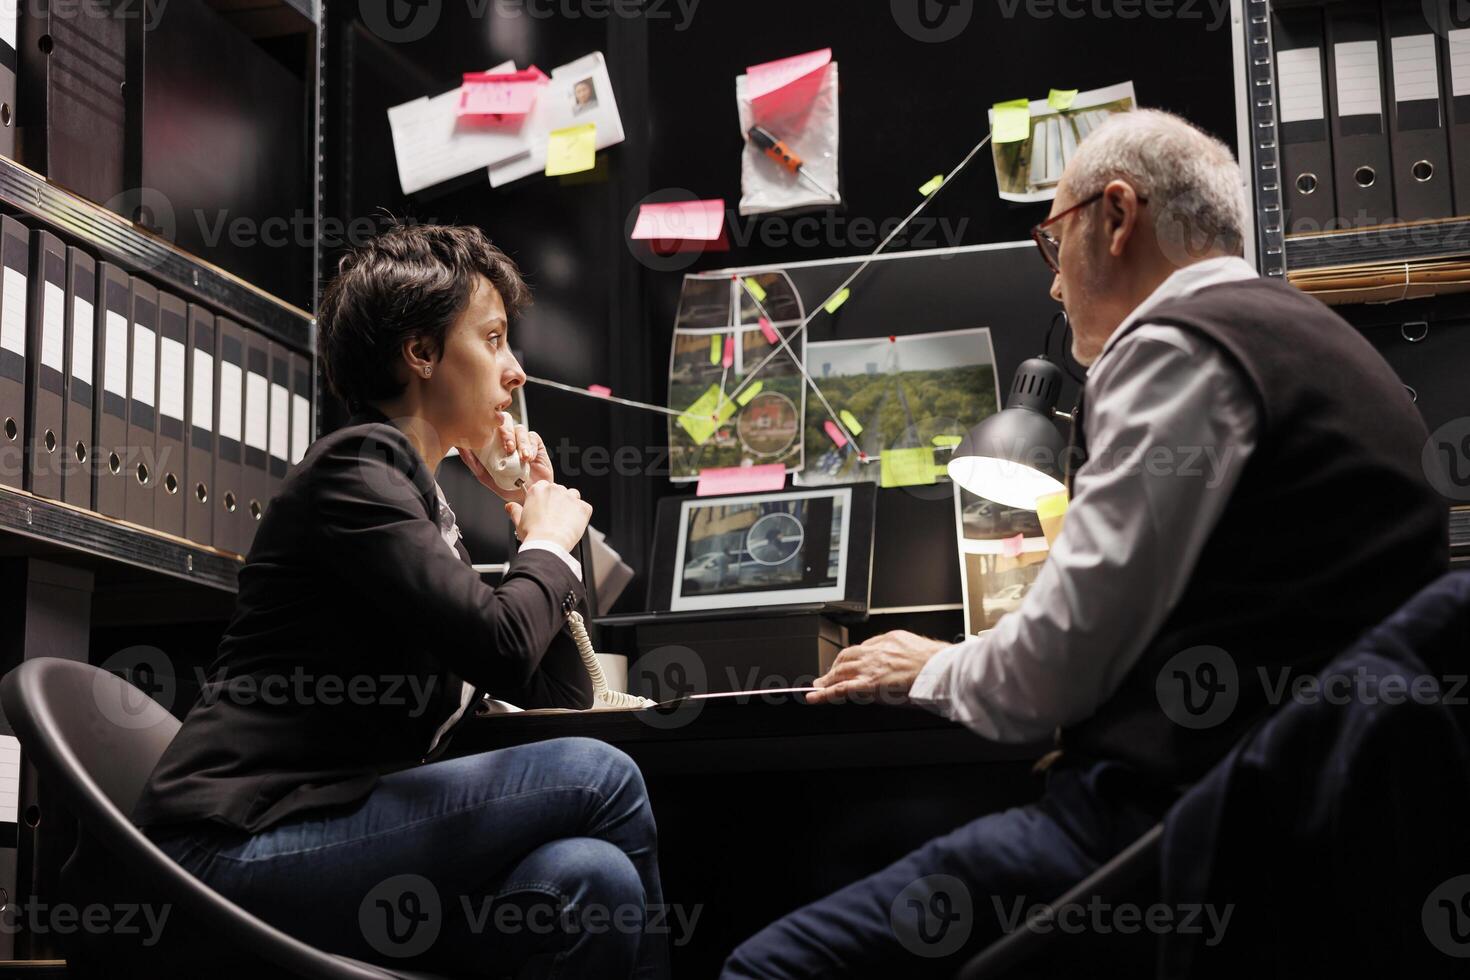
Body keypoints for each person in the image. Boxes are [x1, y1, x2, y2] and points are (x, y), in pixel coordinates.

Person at [723, 109, 1448, 977]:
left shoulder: (1176, 350)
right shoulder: (1329, 346)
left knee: (771, 966)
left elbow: (1051, 674)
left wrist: (929, 667)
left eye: (1050, 240)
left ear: (1115, 216)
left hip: (1181, 837)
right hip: (1317, 850)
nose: (1055, 284)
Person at [131, 222, 669, 979]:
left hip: (321, 832)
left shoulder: (419, 509)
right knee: (599, 776)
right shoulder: (359, 468)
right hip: (226, 852)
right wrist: (544, 548)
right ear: (420, 353)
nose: (516, 372)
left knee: (590, 879)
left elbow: (558, 689)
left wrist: (542, 521)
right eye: (493, 339)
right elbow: (503, 647)